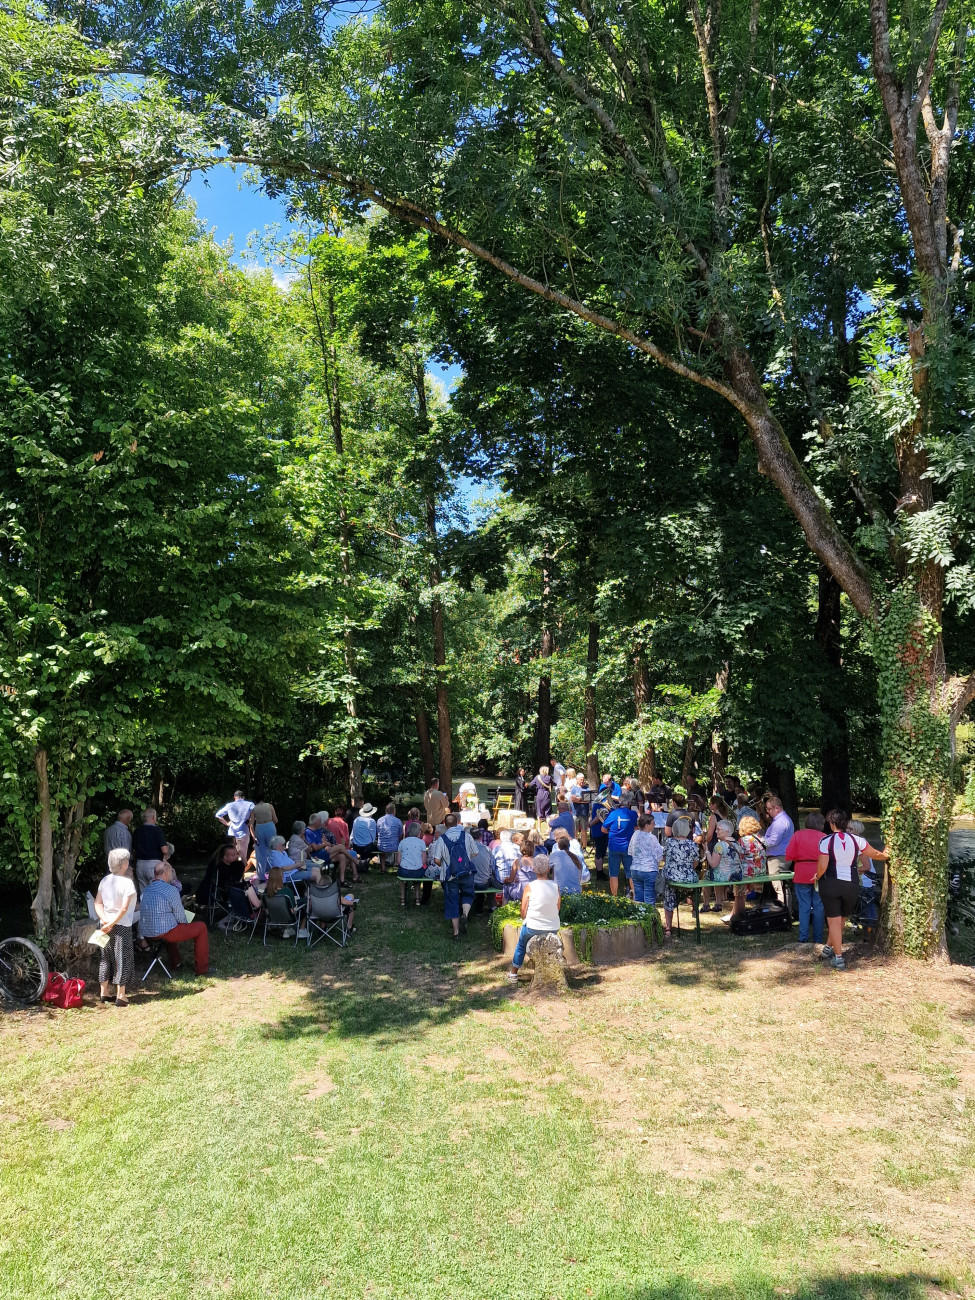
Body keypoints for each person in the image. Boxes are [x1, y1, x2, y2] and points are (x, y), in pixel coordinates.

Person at [817, 809, 889, 969]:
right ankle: (828, 948)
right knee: (841, 920)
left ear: (832, 824)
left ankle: (838, 958)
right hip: (852, 886)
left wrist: (817, 876)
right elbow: (875, 854)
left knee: (833, 922)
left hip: (831, 884)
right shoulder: (858, 840)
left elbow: (822, 866)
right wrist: (886, 855)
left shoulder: (825, 841)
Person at [139, 861, 213, 975]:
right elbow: (180, 917)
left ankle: (176, 963)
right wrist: (186, 923)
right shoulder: (171, 890)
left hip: (146, 932)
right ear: (167, 873)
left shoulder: (146, 890)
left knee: (169, 925)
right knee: (201, 927)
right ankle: (202, 969)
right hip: (162, 932)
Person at [94, 848, 137, 1007]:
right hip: (121, 925)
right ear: (123, 864)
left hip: (104, 925)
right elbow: (124, 908)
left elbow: (97, 903)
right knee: (122, 958)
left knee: (105, 958)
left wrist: (105, 921)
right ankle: (121, 995)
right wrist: (112, 923)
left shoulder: (105, 880)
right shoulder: (127, 883)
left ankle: (104, 992)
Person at [507, 855, 561, 982]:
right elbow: (558, 907)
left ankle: (514, 973)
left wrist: (526, 918)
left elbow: (523, 910)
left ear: (534, 869)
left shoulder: (530, 887)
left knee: (521, 944)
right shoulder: (555, 886)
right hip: (553, 926)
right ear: (549, 869)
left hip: (533, 926)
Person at [428, 813, 479, 939]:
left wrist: (444, 863)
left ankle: (456, 933)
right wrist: (464, 860)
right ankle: (465, 914)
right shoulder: (467, 836)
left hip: (451, 875)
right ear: (457, 823)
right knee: (468, 894)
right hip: (466, 872)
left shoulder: (442, 839)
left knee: (452, 901)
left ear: (445, 825)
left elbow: (436, 860)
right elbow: (475, 852)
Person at [784, 811, 826, 943]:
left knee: (804, 906)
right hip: (819, 872)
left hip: (802, 872)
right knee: (819, 906)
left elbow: (789, 855)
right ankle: (818, 938)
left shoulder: (798, 835)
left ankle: (803, 937)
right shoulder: (824, 837)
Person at [661, 818, 702, 940]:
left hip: (671, 877)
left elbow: (664, 858)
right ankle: (694, 908)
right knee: (696, 884)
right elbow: (696, 862)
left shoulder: (669, 842)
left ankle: (668, 928)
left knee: (668, 897)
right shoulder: (692, 844)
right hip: (688, 877)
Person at [602, 796, 638, 898]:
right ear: (629, 803)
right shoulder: (633, 814)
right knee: (630, 873)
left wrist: (613, 833)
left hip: (614, 846)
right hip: (628, 847)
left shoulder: (613, 814)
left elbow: (603, 829)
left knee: (613, 873)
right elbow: (636, 827)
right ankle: (635, 896)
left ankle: (614, 897)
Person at [629, 815, 664, 904]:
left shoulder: (635, 834)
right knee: (649, 898)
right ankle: (649, 913)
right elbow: (659, 854)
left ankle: (639, 912)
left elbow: (631, 851)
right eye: (653, 823)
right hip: (648, 870)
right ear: (646, 825)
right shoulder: (651, 837)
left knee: (638, 898)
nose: (654, 825)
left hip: (635, 868)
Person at [131, 808, 168, 893]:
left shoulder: (137, 831)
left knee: (143, 893)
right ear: (153, 817)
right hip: (153, 864)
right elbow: (165, 850)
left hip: (140, 864)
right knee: (155, 892)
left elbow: (133, 850)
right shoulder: (157, 830)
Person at [215, 790, 255, 864]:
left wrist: (227, 823)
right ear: (243, 797)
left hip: (231, 834)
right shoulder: (250, 804)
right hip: (243, 833)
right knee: (242, 856)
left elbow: (218, 815)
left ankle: (231, 870)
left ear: (234, 797)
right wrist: (250, 822)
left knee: (230, 856)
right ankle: (241, 870)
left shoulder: (229, 805)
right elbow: (255, 813)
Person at [398, 821, 428, 907]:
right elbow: (423, 861)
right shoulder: (422, 843)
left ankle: (403, 899)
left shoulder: (402, 842)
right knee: (418, 878)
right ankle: (417, 898)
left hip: (404, 871)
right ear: (418, 831)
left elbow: (398, 861)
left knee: (402, 880)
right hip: (417, 871)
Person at [550, 831, 585, 896]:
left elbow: (545, 870)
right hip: (576, 892)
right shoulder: (577, 858)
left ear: (558, 846)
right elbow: (579, 877)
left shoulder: (555, 856)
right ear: (569, 845)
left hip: (560, 892)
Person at [250, 798, 278, 877]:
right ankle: (275, 872)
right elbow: (275, 820)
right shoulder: (269, 806)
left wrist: (253, 836)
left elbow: (251, 825)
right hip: (270, 826)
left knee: (260, 852)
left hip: (259, 828)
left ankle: (261, 875)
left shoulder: (254, 809)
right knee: (273, 850)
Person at [376, 802, 404, 871]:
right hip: (394, 846)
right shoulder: (398, 821)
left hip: (382, 846)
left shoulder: (379, 820)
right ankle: (397, 863)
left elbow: (378, 833)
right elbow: (401, 835)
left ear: (386, 811)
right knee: (400, 845)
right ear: (394, 811)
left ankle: (383, 867)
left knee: (381, 846)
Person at [568, 773, 591, 849]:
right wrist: (582, 799)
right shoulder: (574, 788)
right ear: (577, 780)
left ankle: (584, 847)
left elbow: (588, 800)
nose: (582, 781)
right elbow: (572, 799)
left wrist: (578, 799)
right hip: (575, 812)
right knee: (575, 830)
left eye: (583, 779)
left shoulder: (587, 788)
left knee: (584, 830)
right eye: (580, 779)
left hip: (584, 813)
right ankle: (575, 847)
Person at [589, 802, 609, 879]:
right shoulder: (599, 805)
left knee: (602, 852)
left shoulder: (599, 805)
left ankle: (600, 871)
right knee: (599, 853)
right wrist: (590, 824)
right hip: (599, 831)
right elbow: (598, 818)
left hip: (601, 831)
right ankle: (599, 873)